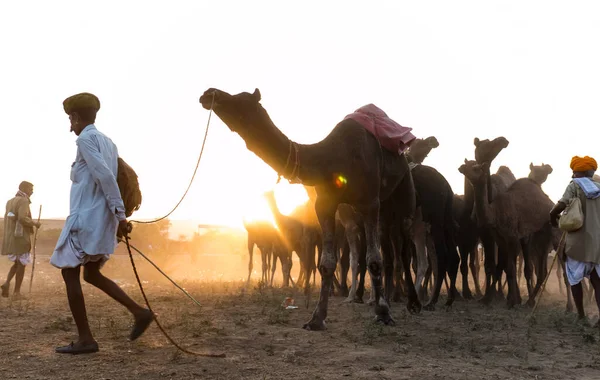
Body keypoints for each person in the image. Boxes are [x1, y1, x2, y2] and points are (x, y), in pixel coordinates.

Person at [50, 92, 153, 354]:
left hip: (86, 220)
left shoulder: (85, 140)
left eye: (70, 119)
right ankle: (139, 312)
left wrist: (121, 215)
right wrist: (118, 215)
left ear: (75, 117)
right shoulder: (109, 142)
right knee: (92, 273)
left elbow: (106, 177)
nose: (69, 125)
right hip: (100, 219)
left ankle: (86, 340)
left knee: (68, 271)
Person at [550, 155, 600, 322]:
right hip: (597, 245)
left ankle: (580, 315)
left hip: (577, 243)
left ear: (581, 173)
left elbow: (561, 204)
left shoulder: (574, 186)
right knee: (596, 280)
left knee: (574, 279)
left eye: (575, 172)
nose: (573, 176)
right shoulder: (599, 187)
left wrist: (553, 216)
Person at [1, 181, 41, 300]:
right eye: (30, 189)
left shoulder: (10, 201)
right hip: (20, 237)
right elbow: (22, 218)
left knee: (17, 263)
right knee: (22, 264)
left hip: (11, 236)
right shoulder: (24, 201)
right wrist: (35, 223)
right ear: (24, 188)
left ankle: (7, 284)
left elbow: (10, 216)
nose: (32, 191)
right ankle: (16, 293)